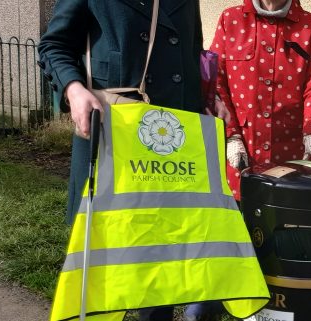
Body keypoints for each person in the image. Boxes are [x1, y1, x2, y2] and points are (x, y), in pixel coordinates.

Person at [38, 1, 205, 320]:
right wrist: (74, 90)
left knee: (161, 266)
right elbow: (55, 44)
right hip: (111, 138)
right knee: (99, 267)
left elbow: (192, 55)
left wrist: (206, 103)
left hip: (167, 148)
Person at [211, 0, 311, 200]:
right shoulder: (231, 19)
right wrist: (230, 135)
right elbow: (216, 81)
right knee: (236, 223)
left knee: (283, 220)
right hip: (240, 152)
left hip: (288, 153)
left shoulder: (310, 25)